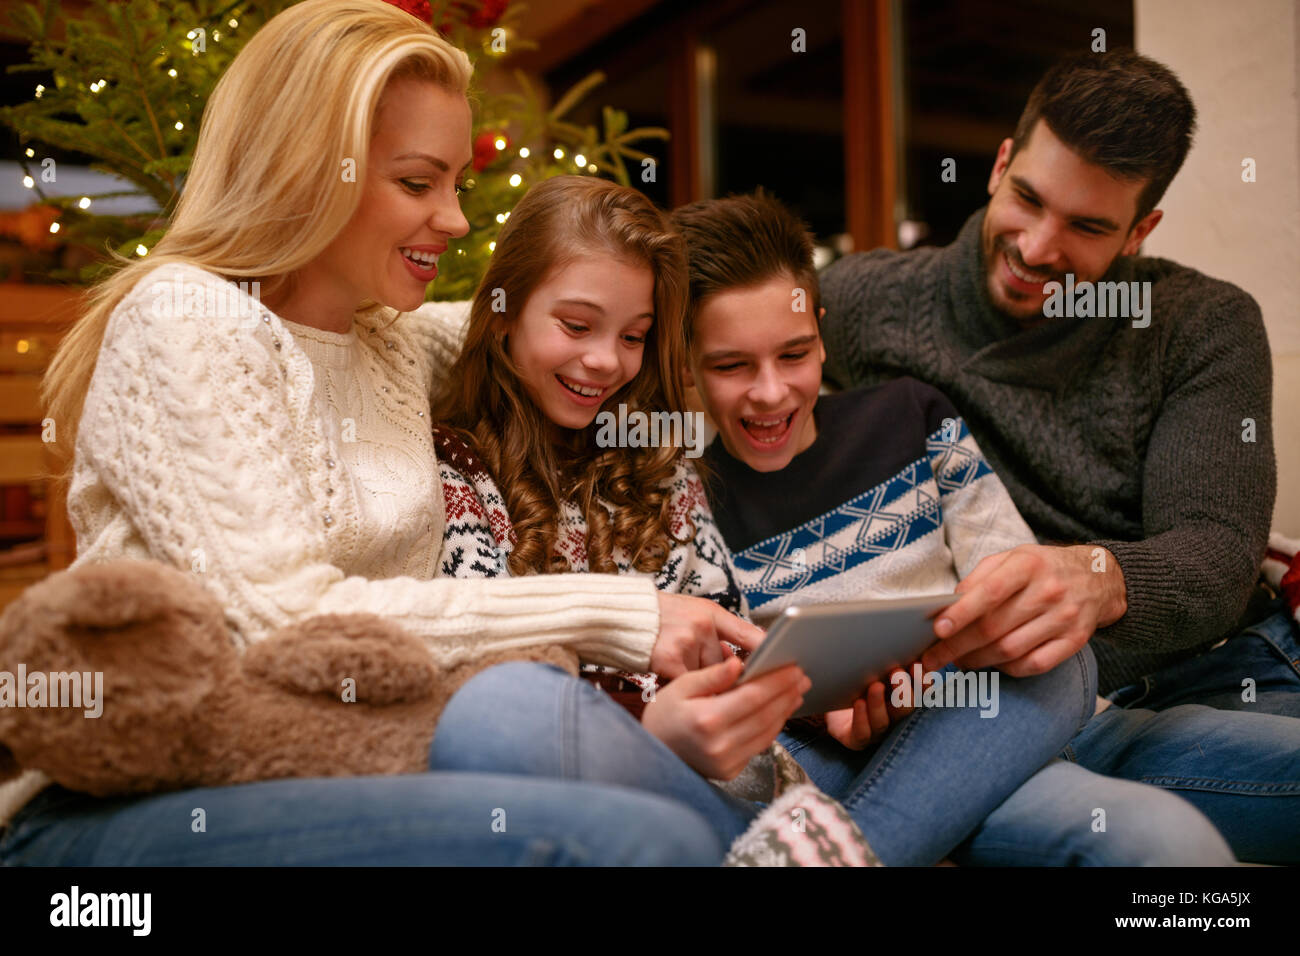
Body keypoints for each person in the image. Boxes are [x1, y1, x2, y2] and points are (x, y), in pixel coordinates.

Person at [0, 0, 730, 867]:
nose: (456, 220)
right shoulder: (186, 319)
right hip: (138, 797)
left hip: (339, 758)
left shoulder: (387, 336)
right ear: (307, 169)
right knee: (622, 830)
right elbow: (284, 620)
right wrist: (625, 613)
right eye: (419, 184)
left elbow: (567, 326)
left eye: (456, 183)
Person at [419, 176, 1228, 865]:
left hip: (823, 752)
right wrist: (662, 729)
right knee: (506, 717)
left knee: (1061, 671)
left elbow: (734, 635)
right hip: (666, 771)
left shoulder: (658, 461)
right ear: (498, 312)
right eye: (575, 326)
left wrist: (820, 699)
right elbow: (489, 667)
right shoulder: (465, 467)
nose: (605, 362)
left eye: (633, 337)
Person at [816, 51, 1300, 861]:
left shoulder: (1200, 324)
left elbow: (1218, 556)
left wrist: (1100, 579)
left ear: (1141, 231)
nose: (1039, 248)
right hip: (996, 704)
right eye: (1029, 199)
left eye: (1087, 227)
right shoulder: (861, 306)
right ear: (1002, 163)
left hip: (1207, 674)